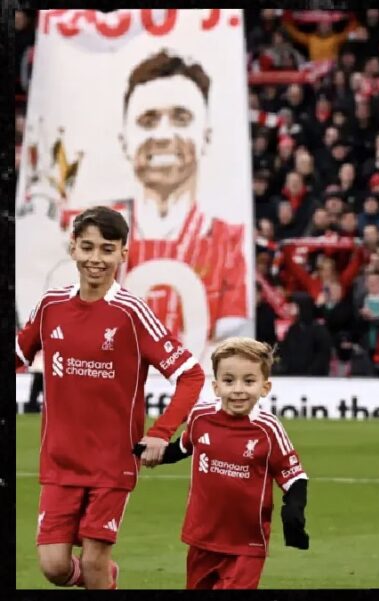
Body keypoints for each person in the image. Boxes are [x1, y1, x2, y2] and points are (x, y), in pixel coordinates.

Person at [15, 206, 206, 589]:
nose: (95, 258)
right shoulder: (51, 306)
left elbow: (191, 374)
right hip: (60, 460)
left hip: (112, 462)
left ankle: (100, 576)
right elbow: (17, 355)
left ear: (123, 254)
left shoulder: (132, 313)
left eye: (106, 249)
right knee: (54, 567)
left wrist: (160, 431)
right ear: (73, 248)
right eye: (87, 247)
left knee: (94, 561)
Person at [134, 337, 310, 589]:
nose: (238, 389)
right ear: (216, 386)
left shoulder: (268, 429)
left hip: (246, 544)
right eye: (229, 381)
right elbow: (183, 447)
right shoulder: (200, 417)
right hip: (201, 538)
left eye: (249, 381)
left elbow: (294, 477)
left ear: (265, 387)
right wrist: (147, 453)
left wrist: (294, 510)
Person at [119, 50, 249, 356]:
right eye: (147, 120)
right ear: (123, 138)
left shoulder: (230, 244)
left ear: (206, 135)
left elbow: (229, 344)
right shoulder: (88, 233)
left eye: (181, 118)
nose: (163, 135)